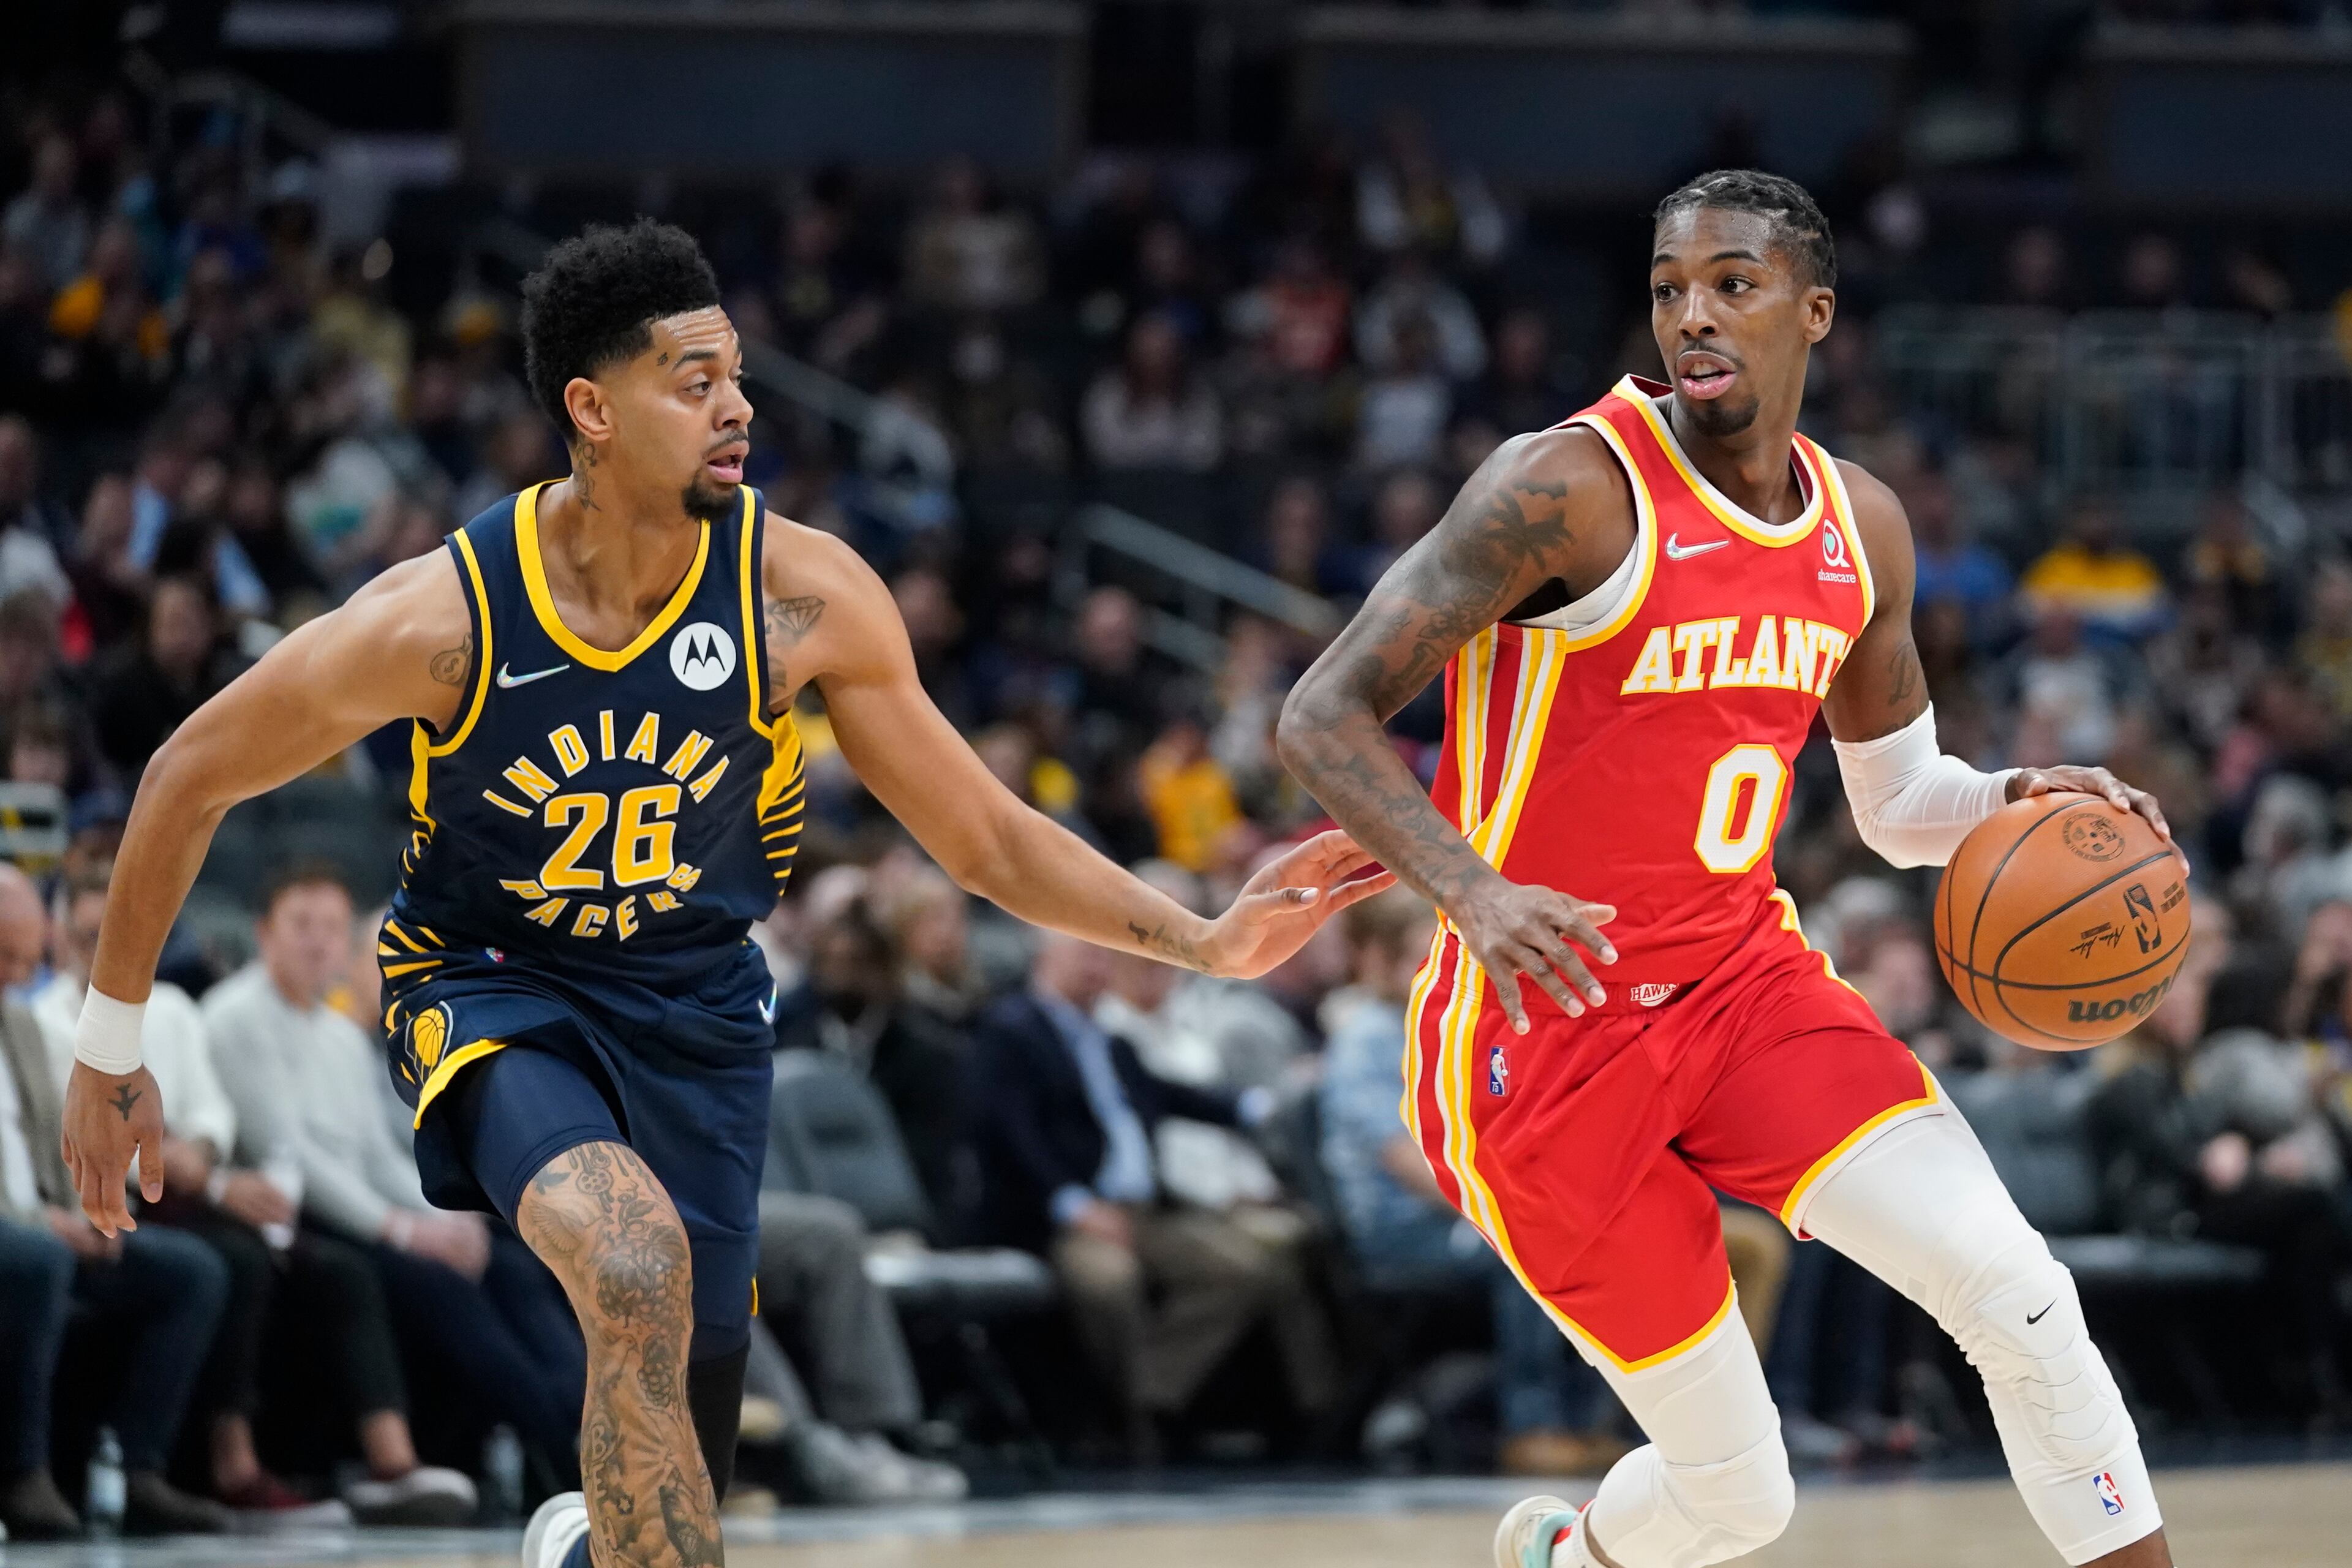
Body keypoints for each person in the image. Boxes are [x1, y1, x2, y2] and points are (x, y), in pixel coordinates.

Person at [59, 218, 1385, 1568]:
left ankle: (587, 1549)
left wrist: (1207, 941)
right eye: (694, 382)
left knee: (680, 1468)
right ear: (593, 410)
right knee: (632, 1263)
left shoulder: (802, 594)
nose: (738, 406)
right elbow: (185, 774)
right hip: (497, 987)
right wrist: (111, 1046)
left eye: (736, 376)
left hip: (697, 1007)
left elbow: (984, 837)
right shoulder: (445, 618)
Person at [1277, 170, 2182, 1568]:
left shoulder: (1859, 525)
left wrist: (2019, 797)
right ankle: (1567, 1558)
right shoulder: (1564, 488)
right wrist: (1472, 888)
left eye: (1732, 285)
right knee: (1741, 1500)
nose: (1692, 315)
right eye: (1669, 289)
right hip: (1544, 1029)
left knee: (2017, 1293)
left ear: (1812, 312)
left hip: (1742, 989)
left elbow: (1899, 807)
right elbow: (1319, 714)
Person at [206, 865, 563, 1522]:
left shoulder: (341, 1036)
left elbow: (376, 1156)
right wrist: (407, 1231)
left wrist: (448, 1217)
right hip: (296, 1218)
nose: (318, 942)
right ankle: (565, 1445)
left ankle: (591, 1416)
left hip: (368, 1212)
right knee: (442, 1285)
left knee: (511, 1265)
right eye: (301, 925)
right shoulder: (234, 1017)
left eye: (332, 928)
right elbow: (292, 1157)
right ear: (264, 933)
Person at [971, 932, 1341, 1458]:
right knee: (1109, 1282)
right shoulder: (1011, 1030)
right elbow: (1010, 1132)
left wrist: (1258, 1105)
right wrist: (1073, 1205)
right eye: (1087, 954)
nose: (1100, 966)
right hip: (1066, 1216)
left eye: (1103, 955)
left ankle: (1147, 1399)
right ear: (1048, 956)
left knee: (1244, 1269)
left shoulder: (1108, 1041)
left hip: (1144, 1211)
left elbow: (1171, 1096)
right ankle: (1113, 1419)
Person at [1319, 886, 1623, 1476]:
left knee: (1597, 1236)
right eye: (1420, 955)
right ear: (1380, 959)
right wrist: (1518, 1204)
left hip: (1465, 1212)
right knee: (1532, 1245)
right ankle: (1531, 1426)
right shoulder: (1368, 1038)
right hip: (1403, 1229)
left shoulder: (1445, 1024)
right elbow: (1414, 1167)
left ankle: (1595, 1423)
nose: (1434, 968)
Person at [0, 864, 233, 1538]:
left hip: (45, 1222)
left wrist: (87, 1213)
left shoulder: (22, 1027)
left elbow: (59, 1144)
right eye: (3, 957)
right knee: (40, 1260)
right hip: (22, 1233)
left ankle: (139, 1470)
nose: (15, 975)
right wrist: (42, 1223)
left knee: (192, 1270)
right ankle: (21, 1473)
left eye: (25, 959)